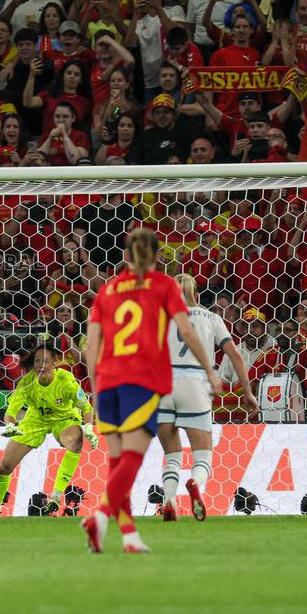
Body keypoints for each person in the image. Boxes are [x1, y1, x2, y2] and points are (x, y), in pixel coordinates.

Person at [82, 229, 222, 554]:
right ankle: (100, 517)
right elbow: (186, 330)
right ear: (158, 256)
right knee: (132, 458)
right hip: (141, 382)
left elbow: (92, 344)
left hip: (107, 382)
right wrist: (211, 371)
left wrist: (93, 388)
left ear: (127, 256)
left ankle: (129, 536)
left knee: (116, 464)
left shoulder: (107, 290)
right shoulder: (163, 285)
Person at [157, 275, 259, 522]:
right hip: (196, 384)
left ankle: (169, 500)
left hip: (163, 386)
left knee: (171, 455)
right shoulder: (212, 318)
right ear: (197, 296)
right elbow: (234, 354)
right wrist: (247, 392)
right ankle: (195, 482)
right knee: (202, 454)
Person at [0, 335, 99, 517]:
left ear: (54, 363)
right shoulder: (27, 382)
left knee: (75, 442)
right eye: (37, 361)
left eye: (45, 361)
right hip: (35, 420)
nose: (40, 365)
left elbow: (86, 407)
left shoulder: (66, 381)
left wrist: (89, 427)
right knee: (5, 466)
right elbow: (11, 411)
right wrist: (10, 425)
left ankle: (56, 496)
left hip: (64, 418)